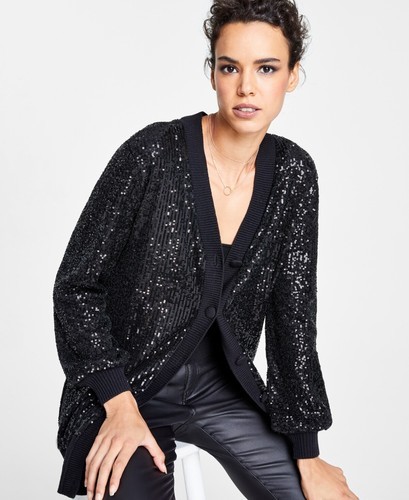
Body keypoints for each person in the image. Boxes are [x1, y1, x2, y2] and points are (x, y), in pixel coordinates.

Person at [53, 1, 359, 499]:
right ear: (213, 72)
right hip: (128, 388)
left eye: (266, 68)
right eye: (230, 67)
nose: (246, 87)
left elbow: (293, 318)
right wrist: (117, 401)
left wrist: (307, 450)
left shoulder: (293, 175)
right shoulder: (152, 153)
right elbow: (76, 287)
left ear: (292, 75)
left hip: (223, 392)